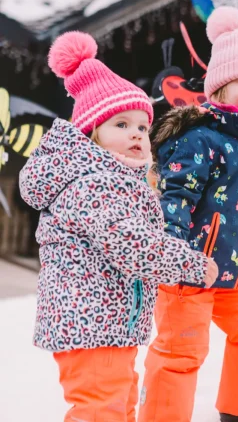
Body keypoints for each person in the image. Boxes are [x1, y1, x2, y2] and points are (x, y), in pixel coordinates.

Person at [19, 31, 218, 422]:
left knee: (118, 404)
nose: (136, 135)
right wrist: (189, 264)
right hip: (91, 325)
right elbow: (133, 243)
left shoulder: (115, 180)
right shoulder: (93, 184)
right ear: (91, 134)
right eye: (121, 124)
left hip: (108, 326)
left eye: (143, 128)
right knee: (101, 410)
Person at [138, 6, 238, 422]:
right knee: (181, 350)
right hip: (189, 273)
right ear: (220, 90)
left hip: (234, 273)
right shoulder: (199, 140)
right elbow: (174, 201)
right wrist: (174, 255)